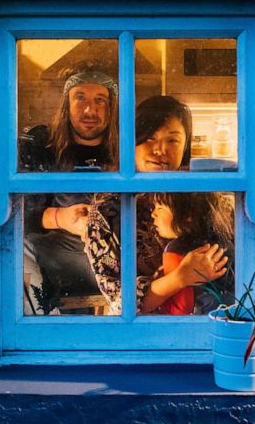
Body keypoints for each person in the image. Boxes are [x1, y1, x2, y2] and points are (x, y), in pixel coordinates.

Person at [83, 95, 232, 313]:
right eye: (150, 138)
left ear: (186, 146)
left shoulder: (204, 195)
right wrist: (180, 277)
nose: (160, 150)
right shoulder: (107, 208)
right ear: (131, 141)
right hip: (146, 331)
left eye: (172, 140)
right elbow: (119, 301)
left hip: (213, 323)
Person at [20, 61, 119, 314]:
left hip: (117, 261)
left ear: (112, 107)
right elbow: (19, 212)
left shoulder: (127, 149)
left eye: (100, 100)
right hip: (55, 261)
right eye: (81, 97)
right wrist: (59, 217)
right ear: (66, 103)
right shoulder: (42, 147)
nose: (90, 109)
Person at [143, 192, 235, 314]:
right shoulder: (225, 243)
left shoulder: (175, 249)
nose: (153, 214)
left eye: (160, 208)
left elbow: (179, 308)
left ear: (188, 215)